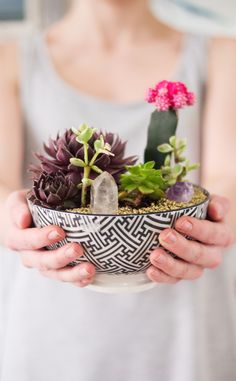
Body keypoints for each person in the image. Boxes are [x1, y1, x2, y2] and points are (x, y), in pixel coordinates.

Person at [0, 0, 235, 380]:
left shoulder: (222, 53)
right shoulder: (10, 58)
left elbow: (228, 178)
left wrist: (218, 219)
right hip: (51, 331)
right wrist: (15, 222)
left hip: (183, 331)